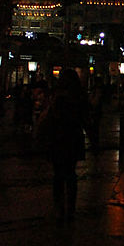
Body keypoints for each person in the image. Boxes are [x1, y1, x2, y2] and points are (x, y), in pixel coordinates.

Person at [46, 68, 89, 225]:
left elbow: (50, 118)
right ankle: (70, 208)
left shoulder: (57, 97)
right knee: (71, 174)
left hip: (57, 139)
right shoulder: (78, 97)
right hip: (73, 138)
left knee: (58, 175)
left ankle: (59, 208)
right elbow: (86, 119)